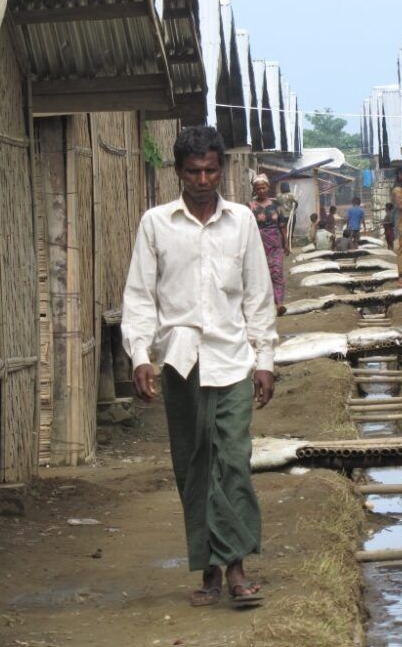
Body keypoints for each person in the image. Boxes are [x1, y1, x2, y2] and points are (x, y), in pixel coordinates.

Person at [121, 125, 276, 608]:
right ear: (178, 172)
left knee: (233, 460)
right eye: (194, 171)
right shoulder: (156, 224)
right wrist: (140, 355)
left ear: (222, 169)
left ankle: (237, 566)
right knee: (194, 466)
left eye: (211, 169)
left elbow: (258, 295)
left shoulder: (243, 222)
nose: (203, 179)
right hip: (181, 361)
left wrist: (265, 358)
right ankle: (208, 568)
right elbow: (140, 296)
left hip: (232, 360)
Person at [249, 174, 289, 317]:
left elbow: (282, 226)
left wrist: (286, 243)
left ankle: (279, 304)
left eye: (263, 187)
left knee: (277, 273)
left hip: (275, 245)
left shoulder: (276, 206)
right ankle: (263, 306)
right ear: (254, 189)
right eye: (258, 188)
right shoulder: (250, 207)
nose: (261, 190)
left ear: (268, 187)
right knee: (259, 276)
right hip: (257, 246)